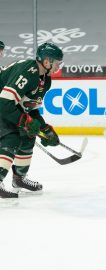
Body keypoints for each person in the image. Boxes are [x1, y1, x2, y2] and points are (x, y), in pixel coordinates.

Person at [0, 42, 63, 198]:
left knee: (28, 135)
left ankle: (19, 179)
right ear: (46, 61)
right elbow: (4, 103)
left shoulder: (45, 79)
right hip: (2, 103)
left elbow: (29, 108)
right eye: (57, 63)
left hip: (5, 104)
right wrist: (24, 122)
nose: (58, 66)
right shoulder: (28, 70)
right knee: (11, 136)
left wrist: (45, 128)